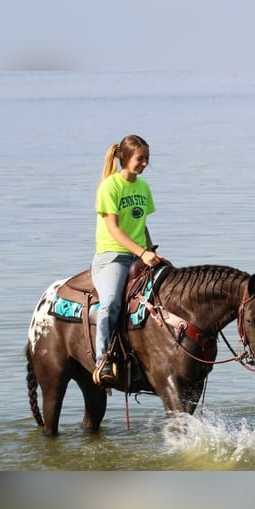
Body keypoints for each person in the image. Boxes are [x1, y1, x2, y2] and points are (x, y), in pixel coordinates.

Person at [92, 134, 162, 386]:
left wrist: (150, 250)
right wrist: (141, 253)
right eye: (140, 159)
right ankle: (102, 360)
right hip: (113, 257)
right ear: (124, 158)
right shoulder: (109, 187)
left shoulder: (143, 187)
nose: (145, 163)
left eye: (147, 159)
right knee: (110, 303)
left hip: (140, 254)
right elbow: (114, 229)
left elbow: (142, 224)